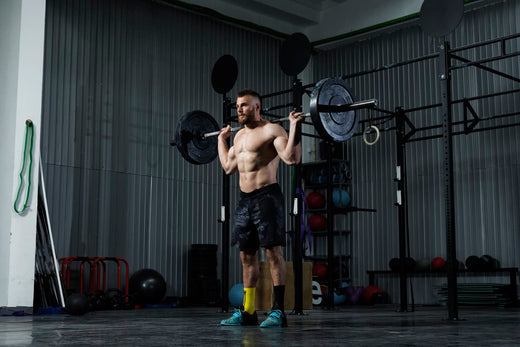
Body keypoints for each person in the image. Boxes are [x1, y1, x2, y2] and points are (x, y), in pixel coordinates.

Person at [218, 89, 303, 328]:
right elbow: (227, 167)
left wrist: (294, 126)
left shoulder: (272, 130)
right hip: (245, 200)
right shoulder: (238, 137)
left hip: (267, 197)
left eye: (244, 105)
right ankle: (248, 311)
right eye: (237, 106)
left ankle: (278, 311)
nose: (239, 110)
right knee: (246, 256)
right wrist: (220, 140)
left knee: (272, 252)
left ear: (257, 106)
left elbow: (290, 158)